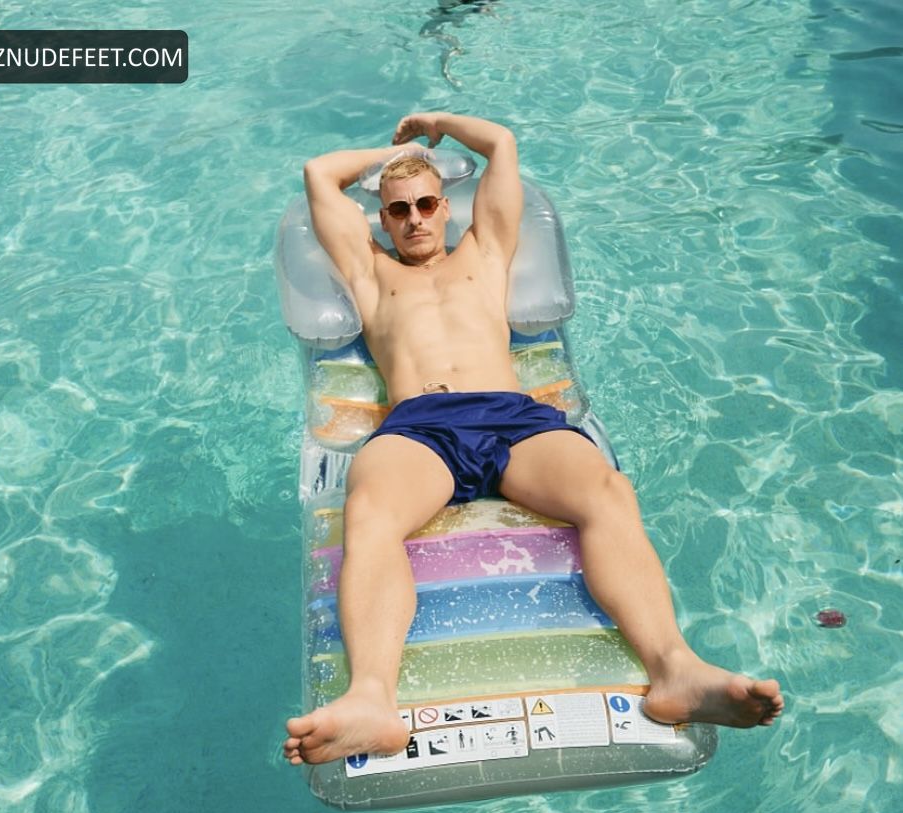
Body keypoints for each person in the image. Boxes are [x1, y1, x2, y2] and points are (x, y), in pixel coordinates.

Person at [283, 112, 783, 767]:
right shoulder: (370, 271)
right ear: (383, 218)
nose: (415, 218)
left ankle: (675, 670)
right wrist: (392, 156)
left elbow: (501, 145)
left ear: (445, 207)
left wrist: (435, 127)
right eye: (399, 209)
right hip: (421, 425)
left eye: (427, 203)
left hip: (513, 418)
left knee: (607, 490)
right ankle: (372, 700)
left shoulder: (485, 253)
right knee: (370, 510)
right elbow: (319, 174)